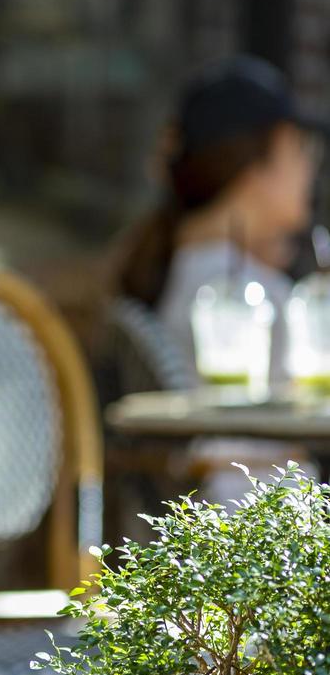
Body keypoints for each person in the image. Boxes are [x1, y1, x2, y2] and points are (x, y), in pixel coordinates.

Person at [116, 55, 325, 501]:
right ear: (260, 165)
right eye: (300, 150)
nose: (311, 169)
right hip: (261, 535)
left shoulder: (180, 268)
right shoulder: (251, 297)